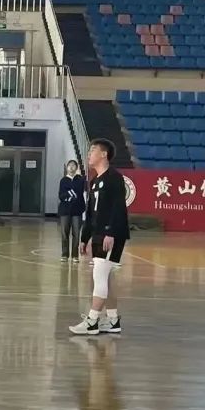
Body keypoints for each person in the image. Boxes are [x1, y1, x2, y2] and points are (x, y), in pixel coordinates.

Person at [69, 138, 131, 336]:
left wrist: (110, 232)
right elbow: (90, 213)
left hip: (110, 234)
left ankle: (92, 321)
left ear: (104, 154)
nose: (89, 154)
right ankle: (112, 320)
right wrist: (84, 237)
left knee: (100, 276)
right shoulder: (95, 181)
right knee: (106, 278)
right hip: (97, 233)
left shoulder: (114, 178)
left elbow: (118, 208)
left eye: (93, 150)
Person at [58, 159, 86, 262]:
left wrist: (69, 193)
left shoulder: (80, 179)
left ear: (76, 168)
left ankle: (75, 255)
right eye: (69, 165)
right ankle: (64, 254)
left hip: (77, 210)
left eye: (73, 165)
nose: (71, 167)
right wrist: (70, 194)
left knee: (76, 234)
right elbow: (61, 195)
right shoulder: (63, 180)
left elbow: (79, 191)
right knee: (64, 233)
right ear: (67, 168)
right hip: (65, 210)